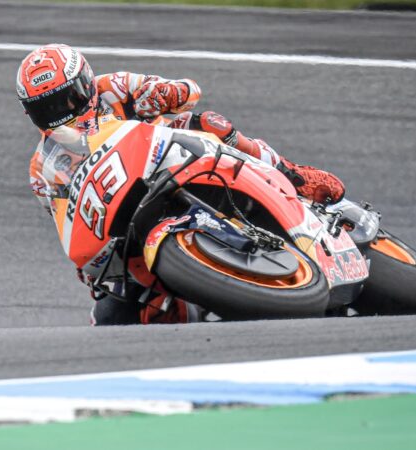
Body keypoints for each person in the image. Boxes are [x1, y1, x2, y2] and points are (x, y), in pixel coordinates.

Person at [17, 43, 345, 325]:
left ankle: (291, 174)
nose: (63, 113)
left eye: (69, 99)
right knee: (107, 316)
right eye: (47, 109)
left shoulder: (115, 87)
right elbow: (65, 219)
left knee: (211, 122)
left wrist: (168, 93)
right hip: (122, 208)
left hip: (168, 154)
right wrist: (90, 268)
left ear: (86, 83)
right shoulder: (42, 168)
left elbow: (189, 91)